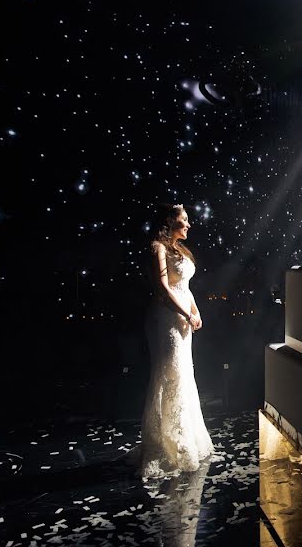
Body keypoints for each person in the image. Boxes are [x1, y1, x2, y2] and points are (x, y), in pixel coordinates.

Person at [134, 203, 214, 479]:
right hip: (166, 320)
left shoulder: (181, 250)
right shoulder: (157, 248)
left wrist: (195, 311)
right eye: (184, 221)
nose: (189, 225)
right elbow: (163, 288)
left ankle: (184, 438)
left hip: (183, 319)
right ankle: (164, 445)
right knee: (170, 375)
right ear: (170, 222)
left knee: (183, 375)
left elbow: (185, 287)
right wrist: (184, 313)